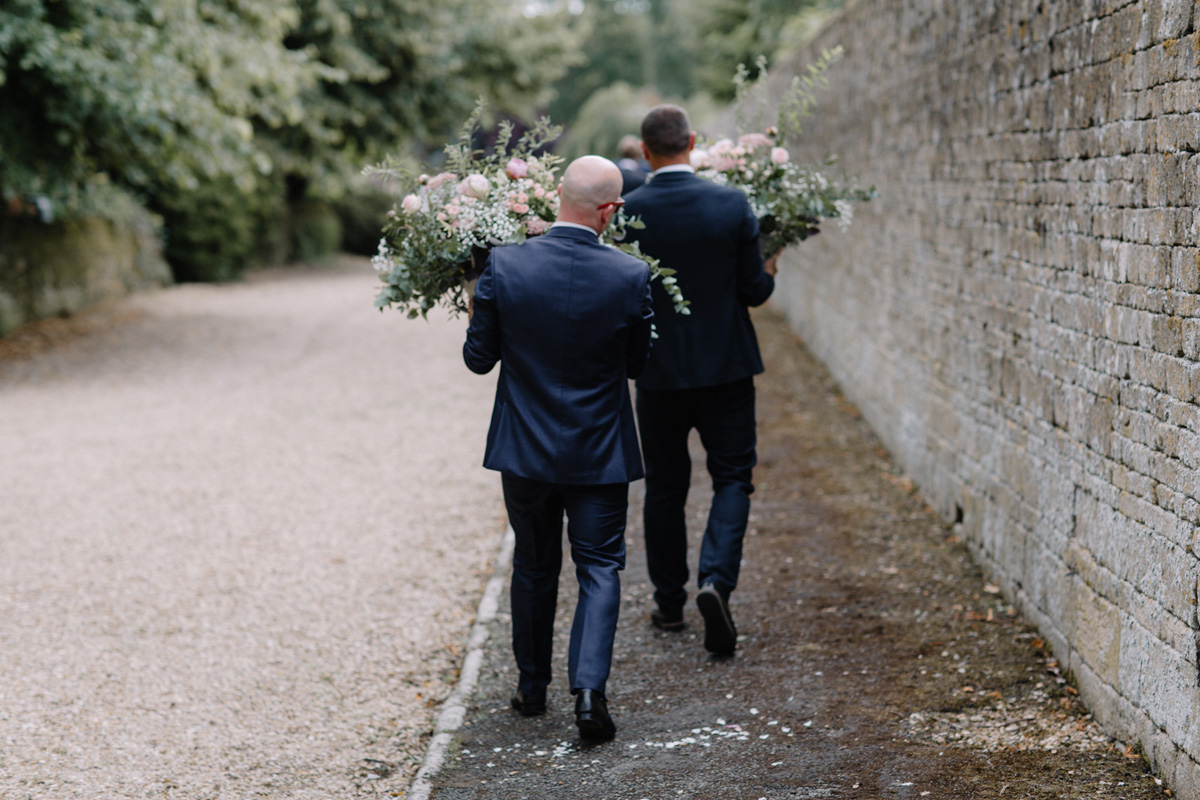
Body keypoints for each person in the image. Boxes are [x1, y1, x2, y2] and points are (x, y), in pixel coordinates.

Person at [463, 155, 654, 740]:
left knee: (534, 562)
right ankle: (590, 695)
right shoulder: (631, 276)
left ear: (556, 196)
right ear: (611, 210)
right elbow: (640, 364)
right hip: (599, 452)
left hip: (525, 451)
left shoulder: (505, 265)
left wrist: (478, 296)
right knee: (600, 567)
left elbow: (478, 359)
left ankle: (530, 686)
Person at [621, 104, 776, 657]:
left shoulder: (627, 211)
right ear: (692, 141)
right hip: (727, 368)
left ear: (645, 151)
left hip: (658, 373)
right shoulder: (732, 203)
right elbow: (754, 290)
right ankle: (715, 581)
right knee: (733, 477)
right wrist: (770, 267)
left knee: (664, 486)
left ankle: (668, 603)